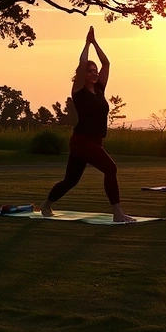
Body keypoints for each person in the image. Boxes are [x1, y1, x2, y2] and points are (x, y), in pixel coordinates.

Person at [41, 26, 134, 223]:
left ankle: (46, 204)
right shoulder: (78, 92)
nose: (94, 73)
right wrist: (86, 44)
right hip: (82, 141)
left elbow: (107, 63)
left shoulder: (99, 90)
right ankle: (117, 213)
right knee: (110, 168)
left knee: (71, 180)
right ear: (82, 74)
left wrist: (95, 43)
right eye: (90, 71)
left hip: (95, 141)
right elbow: (82, 62)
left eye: (94, 70)